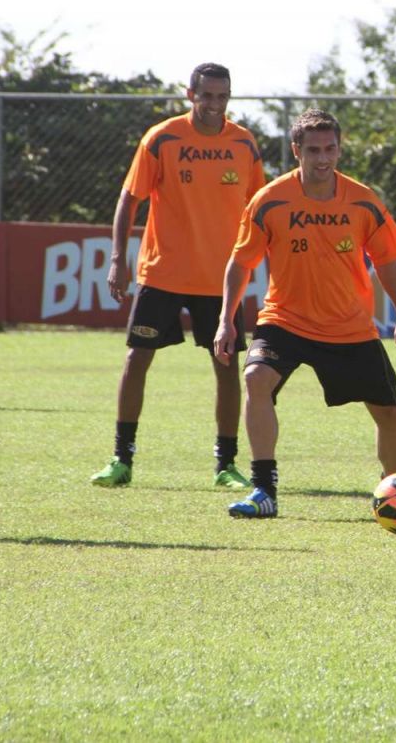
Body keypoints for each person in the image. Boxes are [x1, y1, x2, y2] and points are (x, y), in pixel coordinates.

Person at [215, 109, 396, 519]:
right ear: (297, 151)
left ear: (340, 149)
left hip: (349, 326)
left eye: (330, 148)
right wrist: (226, 319)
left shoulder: (363, 199)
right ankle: (263, 490)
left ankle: (395, 491)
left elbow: (385, 260)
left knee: (389, 414)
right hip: (285, 320)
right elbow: (241, 263)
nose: (323, 157)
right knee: (256, 378)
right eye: (313, 150)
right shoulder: (269, 200)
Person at [89, 63, 266, 489]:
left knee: (227, 365)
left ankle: (226, 464)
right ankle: (121, 458)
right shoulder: (162, 138)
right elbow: (129, 199)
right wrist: (119, 257)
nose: (214, 104)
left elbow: (258, 208)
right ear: (190, 95)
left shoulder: (244, 143)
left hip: (219, 278)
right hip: (162, 272)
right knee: (137, 359)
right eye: (206, 96)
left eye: (222, 96)